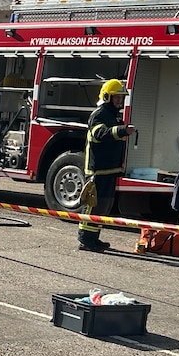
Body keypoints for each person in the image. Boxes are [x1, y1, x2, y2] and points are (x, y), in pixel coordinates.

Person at [77, 79, 135, 252]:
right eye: (117, 97)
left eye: (121, 97)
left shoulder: (114, 115)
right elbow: (99, 134)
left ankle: (94, 238)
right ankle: (85, 240)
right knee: (93, 204)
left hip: (110, 168)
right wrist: (122, 130)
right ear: (107, 96)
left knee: (104, 205)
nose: (119, 100)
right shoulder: (99, 115)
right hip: (97, 169)